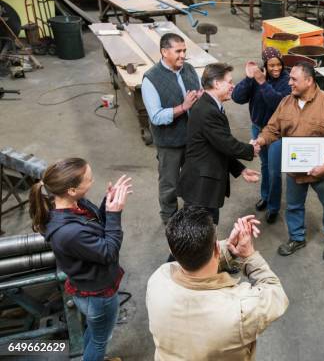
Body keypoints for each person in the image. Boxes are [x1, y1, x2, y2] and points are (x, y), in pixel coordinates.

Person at [146, 206, 289, 360]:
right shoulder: (240, 310)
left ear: (171, 250)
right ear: (216, 248)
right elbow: (276, 294)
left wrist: (228, 246)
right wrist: (249, 255)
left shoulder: (158, 279)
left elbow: (193, 257)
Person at [29, 158, 132, 361]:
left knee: (95, 333)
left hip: (88, 288)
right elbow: (108, 251)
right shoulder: (69, 232)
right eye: (89, 179)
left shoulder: (73, 204)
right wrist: (114, 215)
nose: (93, 182)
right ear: (72, 190)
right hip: (97, 295)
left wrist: (106, 204)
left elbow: (95, 225)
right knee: (100, 339)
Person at [254, 62, 324, 261]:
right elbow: (272, 128)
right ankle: (297, 237)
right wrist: (261, 140)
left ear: (309, 81)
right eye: (290, 79)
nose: (289, 83)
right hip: (296, 169)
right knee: (293, 205)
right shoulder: (286, 103)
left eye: (294, 79)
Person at [177, 62, 260, 225]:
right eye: (229, 82)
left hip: (204, 187)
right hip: (201, 188)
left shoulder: (210, 106)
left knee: (201, 235)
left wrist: (241, 169)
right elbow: (227, 144)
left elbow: (217, 147)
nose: (232, 86)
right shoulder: (208, 110)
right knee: (198, 237)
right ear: (216, 83)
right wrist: (251, 149)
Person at [142, 33, 202, 224]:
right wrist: (183, 107)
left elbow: (199, 93)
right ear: (164, 52)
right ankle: (170, 220)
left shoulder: (190, 69)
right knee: (169, 184)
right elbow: (156, 116)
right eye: (178, 51)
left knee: (193, 178)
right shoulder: (151, 79)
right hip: (169, 142)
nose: (183, 55)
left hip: (192, 139)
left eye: (184, 50)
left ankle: (191, 214)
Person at [232, 47, 291, 224]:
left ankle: (273, 206)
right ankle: (265, 196)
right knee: (265, 165)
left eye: (278, 65)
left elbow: (278, 104)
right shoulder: (257, 77)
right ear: (264, 64)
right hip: (258, 128)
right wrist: (249, 78)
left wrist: (262, 82)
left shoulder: (287, 81)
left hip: (277, 133)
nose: (276, 69)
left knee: (274, 171)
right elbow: (237, 97)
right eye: (271, 65)